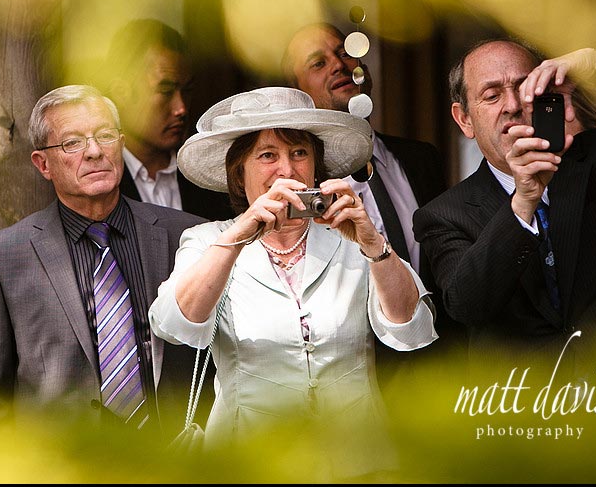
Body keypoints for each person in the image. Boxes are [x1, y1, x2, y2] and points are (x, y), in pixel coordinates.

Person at [148, 87, 438, 480]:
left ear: (316, 167)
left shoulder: (351, 239)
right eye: (268, 155)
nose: (287, 169)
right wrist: (243, 230)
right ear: (240, 173)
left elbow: (412, 329)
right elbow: (175, 325)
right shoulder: (209, 241)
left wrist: (373, 242)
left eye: (299, 153)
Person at [0, 85, 206, 436]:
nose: (94, 152)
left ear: (120, 144)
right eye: (72, 143)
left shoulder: (185, 235)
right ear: (43, 164)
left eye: (104, 136)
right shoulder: (3, 257)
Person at [412, 39, 596, 369]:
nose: (512, 105)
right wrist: (523, 202)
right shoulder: (442, 215)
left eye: (525, 87)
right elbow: (467, 304)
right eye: (492, 95)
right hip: (522, 408)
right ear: (464, 119)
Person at [282, 21, 464, 376]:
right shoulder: (300, 187)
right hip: (359, 381)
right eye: (318, 63)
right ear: (297, 89)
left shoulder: (420, 158)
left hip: (441, 370)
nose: (338, 64)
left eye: (343, 52)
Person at [104, 18, 233, 220]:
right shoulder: (98, 180)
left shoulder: (208, 177)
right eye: (165, 90)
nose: (181, 108)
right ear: (121, 92)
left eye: (187, 90)